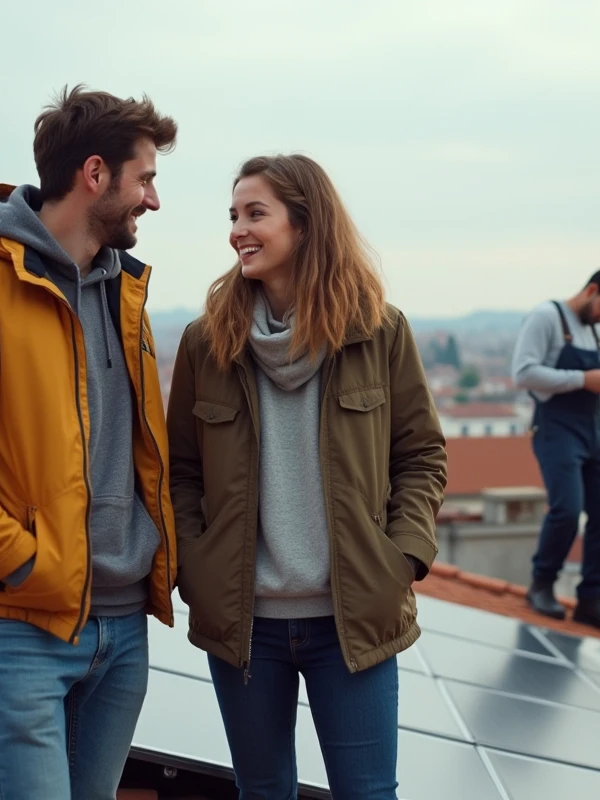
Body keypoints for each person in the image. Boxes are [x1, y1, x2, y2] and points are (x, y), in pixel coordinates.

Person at [0, 85, 179, 800]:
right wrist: (21, 563)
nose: (153, 201)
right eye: (146, 179)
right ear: (96, 174)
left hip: (122, 627)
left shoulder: (123, 294)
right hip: (20, 624)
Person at [166, 154, 447, 799]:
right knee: (262, 794)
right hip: (244, 625)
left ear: (306, 223)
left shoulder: (379, 332)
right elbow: (180, 469)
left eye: (255, 213)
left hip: (353, 617)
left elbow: (421, 454)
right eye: (233, 215)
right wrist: (195, 563)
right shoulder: (205, 344)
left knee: (368, 794)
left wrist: (401, 558)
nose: (238, 229)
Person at [510, 267, 600, 635]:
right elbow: (523, 373)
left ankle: (591, 600)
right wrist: (584, 379)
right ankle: (542, 584)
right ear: (591, 289)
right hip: (556, 428)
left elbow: (586, 379)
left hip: (592, 430)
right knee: (567, 509)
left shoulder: (590, 330)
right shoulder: (546, 317)